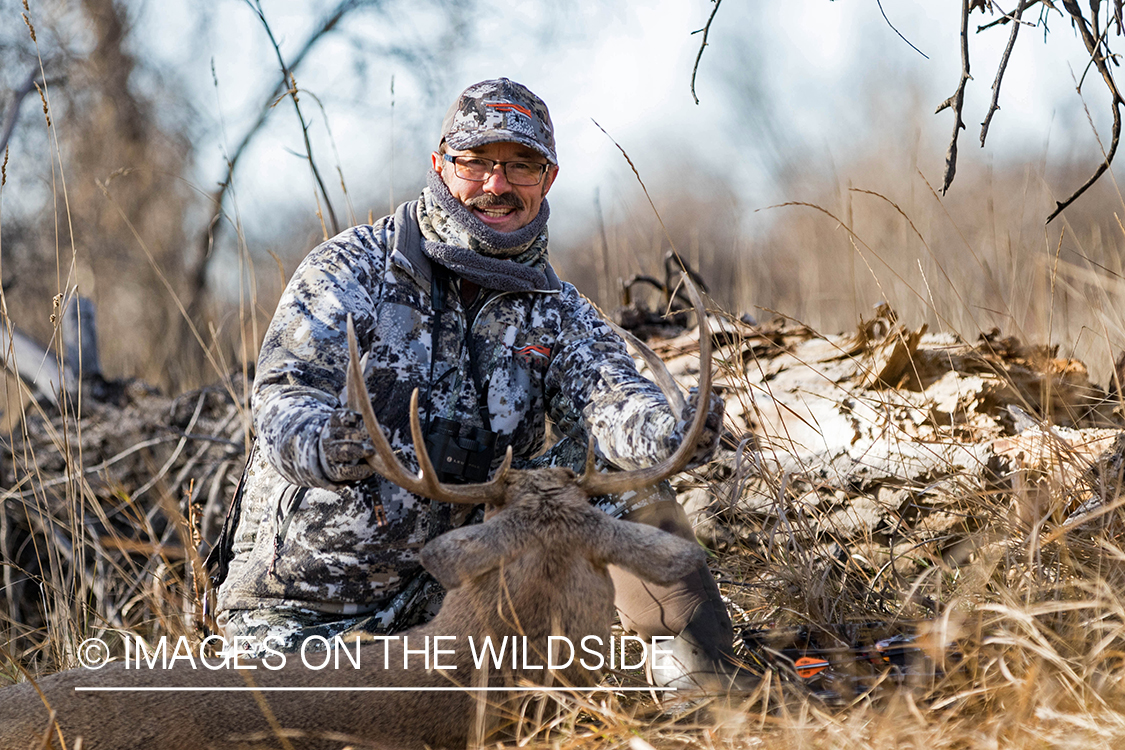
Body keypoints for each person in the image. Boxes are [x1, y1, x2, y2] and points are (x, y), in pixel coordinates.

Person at [213, 78, 750, 691]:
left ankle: (697, 693)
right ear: (440, 165)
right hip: (308, 610)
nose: (497, 186)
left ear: (548, 180)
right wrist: (323, 445)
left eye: (521, 166)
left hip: (458, 589)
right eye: (477, 162)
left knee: (618, 492)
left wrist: (667, 436)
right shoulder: (350, 269)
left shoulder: (556, 308)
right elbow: (282, 403)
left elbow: (613, 400)